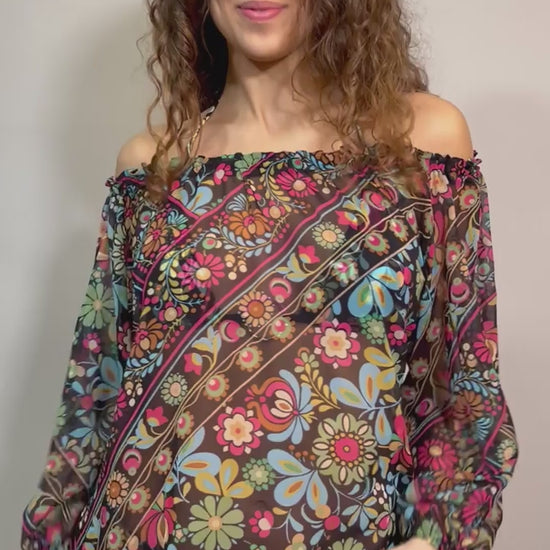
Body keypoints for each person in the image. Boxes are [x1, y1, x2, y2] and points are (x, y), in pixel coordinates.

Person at [21, 1, 519, 549]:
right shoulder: (152, 169)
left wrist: (430, 540)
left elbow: (464, 392)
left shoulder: (419, 146)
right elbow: (93, 396)